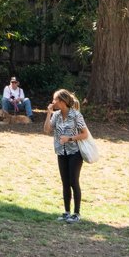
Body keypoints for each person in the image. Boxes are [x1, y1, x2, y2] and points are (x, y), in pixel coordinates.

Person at [44, 89, 89, 222]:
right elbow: (47, 130)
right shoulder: (56, 115)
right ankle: (66, 212)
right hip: (61, 152)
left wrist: (69, 138)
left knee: (73, 182)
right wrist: (48, 114)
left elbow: (84, 134)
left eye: (55, 100)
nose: (53, 102)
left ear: (62, 101)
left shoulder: (76, 115)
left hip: (74, 152)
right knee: (65, 183)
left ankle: (76, 213)